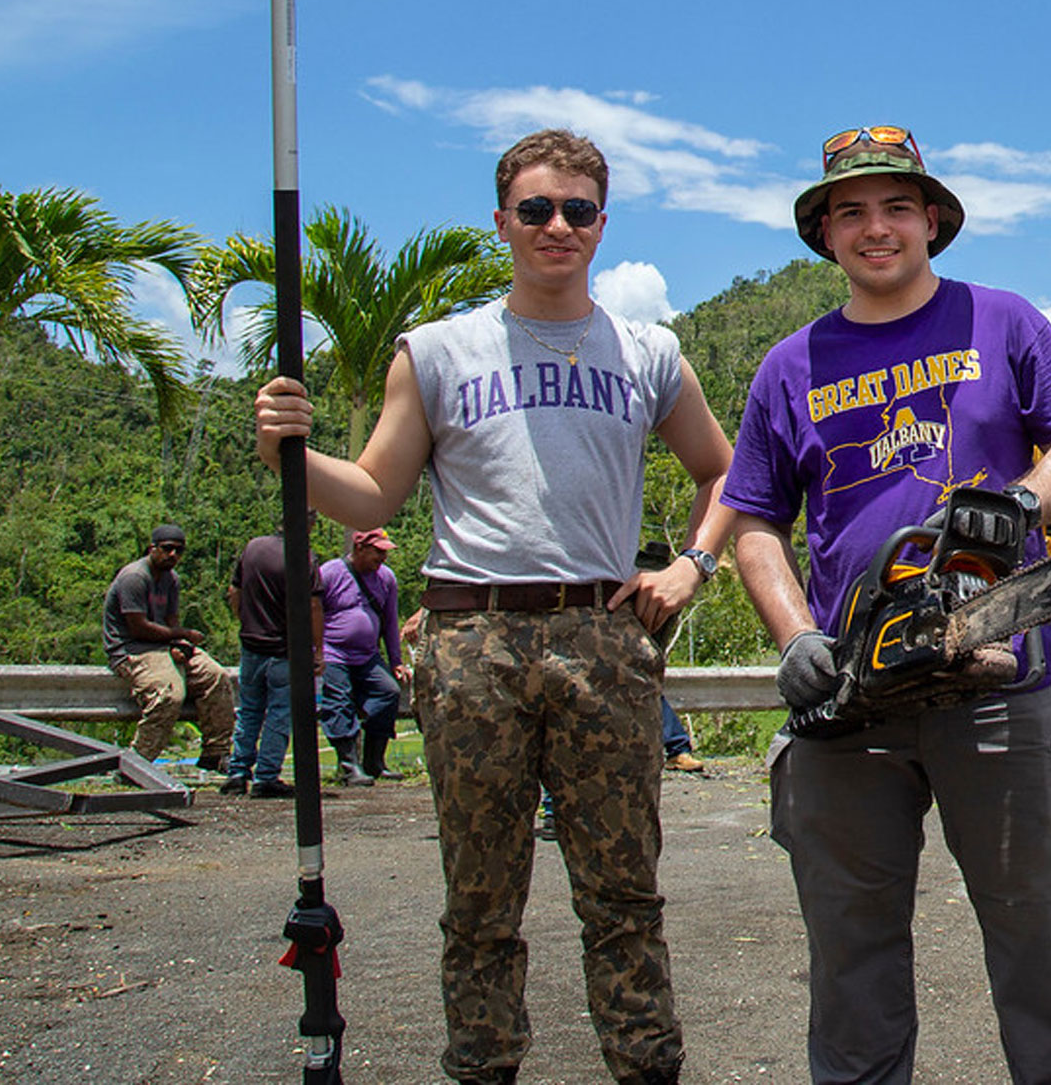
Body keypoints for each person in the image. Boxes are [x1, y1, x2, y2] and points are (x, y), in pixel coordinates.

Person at [634, 124, 1051, 1085]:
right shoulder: (790, 365)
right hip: (852, 697)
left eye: (897, 205)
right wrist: (797, 636)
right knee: (851, 965)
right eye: (851, 211)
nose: (876, 227)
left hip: (1002, 686)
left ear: (932, 219)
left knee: (1043, 952)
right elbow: (757, 519)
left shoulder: (1006, 322)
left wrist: (1019, 500)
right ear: (825, 233)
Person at [253, 128, 732, 1085]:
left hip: (605, 635)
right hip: (473, 640)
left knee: (624, 895)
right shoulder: (436, 351)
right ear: (502, 220)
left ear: (603, 223)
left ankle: (647, 1069)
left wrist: (690, 566)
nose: (558, 226)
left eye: (579, 210)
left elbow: (723, 470)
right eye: (537, 209)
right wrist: (291, 457)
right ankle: (483, 1069)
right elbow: (375, 495)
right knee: (479, 901)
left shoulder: (648, 353)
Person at [103, 522, 236, 770]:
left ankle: (215, 752)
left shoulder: (170, 579)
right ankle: (137, 764)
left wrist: (180, 644)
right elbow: (138, 627)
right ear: (153, 548)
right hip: (132, 650)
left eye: (178, 550)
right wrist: (181, 634)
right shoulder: (134, 577)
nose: (173, 555)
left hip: (162, 646)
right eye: (167, 549)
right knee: (169, 694)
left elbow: (171, 619)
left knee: (216, 676)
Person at [223, 528, 324, 798]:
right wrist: (318, 649)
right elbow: (314, 606)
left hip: (252, 643)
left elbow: (234, 591)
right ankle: (266, 775)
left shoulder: (253, 547)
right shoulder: (304, 557)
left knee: (249, 710)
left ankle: (237, 770)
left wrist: (245, 621)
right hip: (284, 648)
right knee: (279, 712)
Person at [318, 526, 408, 786]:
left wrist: (396, 661)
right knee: (339, 699)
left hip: (367, 656)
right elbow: (313, 611)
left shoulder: (386, 578)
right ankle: (349, 765)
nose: (382, 558)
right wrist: (315, 652)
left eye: (385, 553)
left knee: (388, 692)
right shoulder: (331, 573)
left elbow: (390, 623)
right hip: (333, 652)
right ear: (359, 548)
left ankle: (374, 761)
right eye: (377, 552)